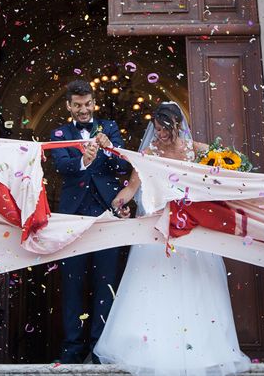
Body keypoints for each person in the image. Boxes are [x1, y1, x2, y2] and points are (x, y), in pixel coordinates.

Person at [94, 102, 251, 376]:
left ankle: (204, 352)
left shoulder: (200, 151)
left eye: (165, 130)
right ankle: (154, 351)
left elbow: (230, 171)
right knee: (156, 292)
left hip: (193, 233)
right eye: (156, 129)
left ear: (178, 125)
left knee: (196, 290)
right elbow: (132, 188)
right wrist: (116, 204)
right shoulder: (149, 153)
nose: (160, 135)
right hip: (158, 234)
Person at [48, 79, 130, 363]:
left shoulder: (109, 128)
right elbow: (61, 166)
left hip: (107, 215)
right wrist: (83, 161)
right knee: (73, 284)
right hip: (72, 218)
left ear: (94, 103)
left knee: (106, 282)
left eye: (88, 104)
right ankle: (72, 349)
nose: (83, 110)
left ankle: (100, 348)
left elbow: (123, 166)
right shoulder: (59, 132)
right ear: (69, 106)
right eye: (78, 105)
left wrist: (109, 150)